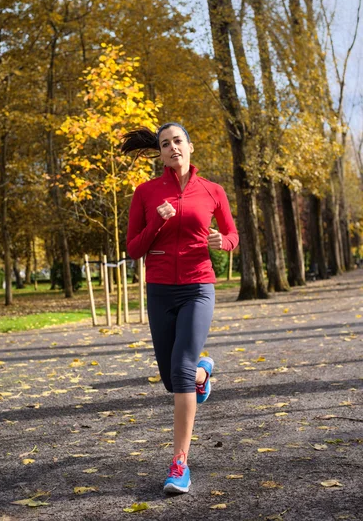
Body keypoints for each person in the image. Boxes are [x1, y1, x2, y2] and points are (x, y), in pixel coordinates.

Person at [122, 122, 239, 494]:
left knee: (181, 371)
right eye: (164, 144)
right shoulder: (145, 193)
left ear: (190, 146)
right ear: (159, 153)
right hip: (159, 290)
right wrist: (158, 219)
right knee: (173, 379)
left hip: (198, 287)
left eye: (177, 141)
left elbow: (232, 234)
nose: (172, 148)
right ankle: (204, 374)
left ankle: (179, 464)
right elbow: (133, 249)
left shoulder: (213, 191)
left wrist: (225, 242)